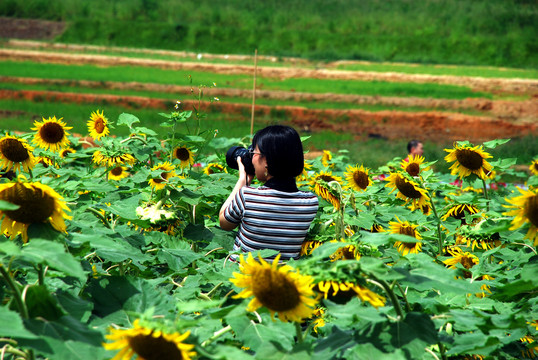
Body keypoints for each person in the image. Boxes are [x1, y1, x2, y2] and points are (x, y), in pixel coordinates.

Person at [219, 125, 319, 261]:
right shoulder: (310, 202)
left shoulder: (248, 196)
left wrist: (242, 180)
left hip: (242, 277)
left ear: (266, 160)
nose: (251, 158)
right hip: (283, 279)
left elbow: (224, 223)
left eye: (253, 153)